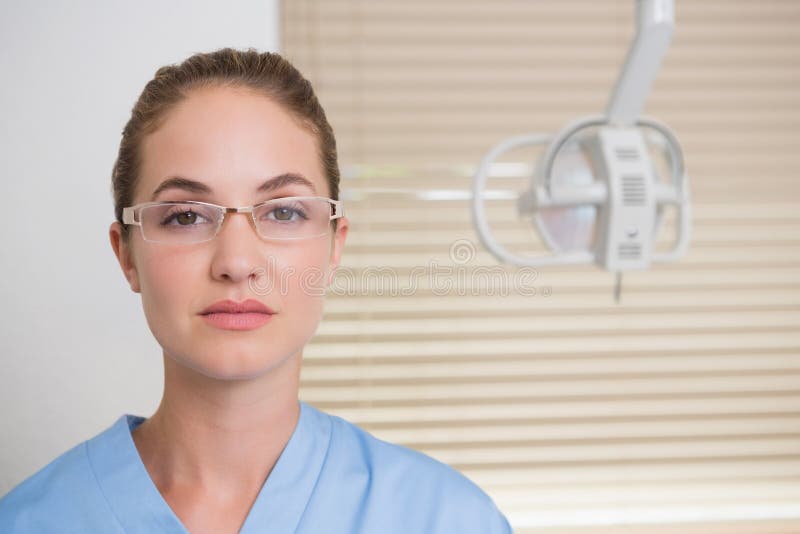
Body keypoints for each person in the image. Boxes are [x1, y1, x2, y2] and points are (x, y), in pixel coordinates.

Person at [0, 48, 512, 533]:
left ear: (335, 248)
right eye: (185, 216)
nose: (237, 263)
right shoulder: (28, 522)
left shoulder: (446, 519)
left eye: (284, 212)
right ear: (126, 255)